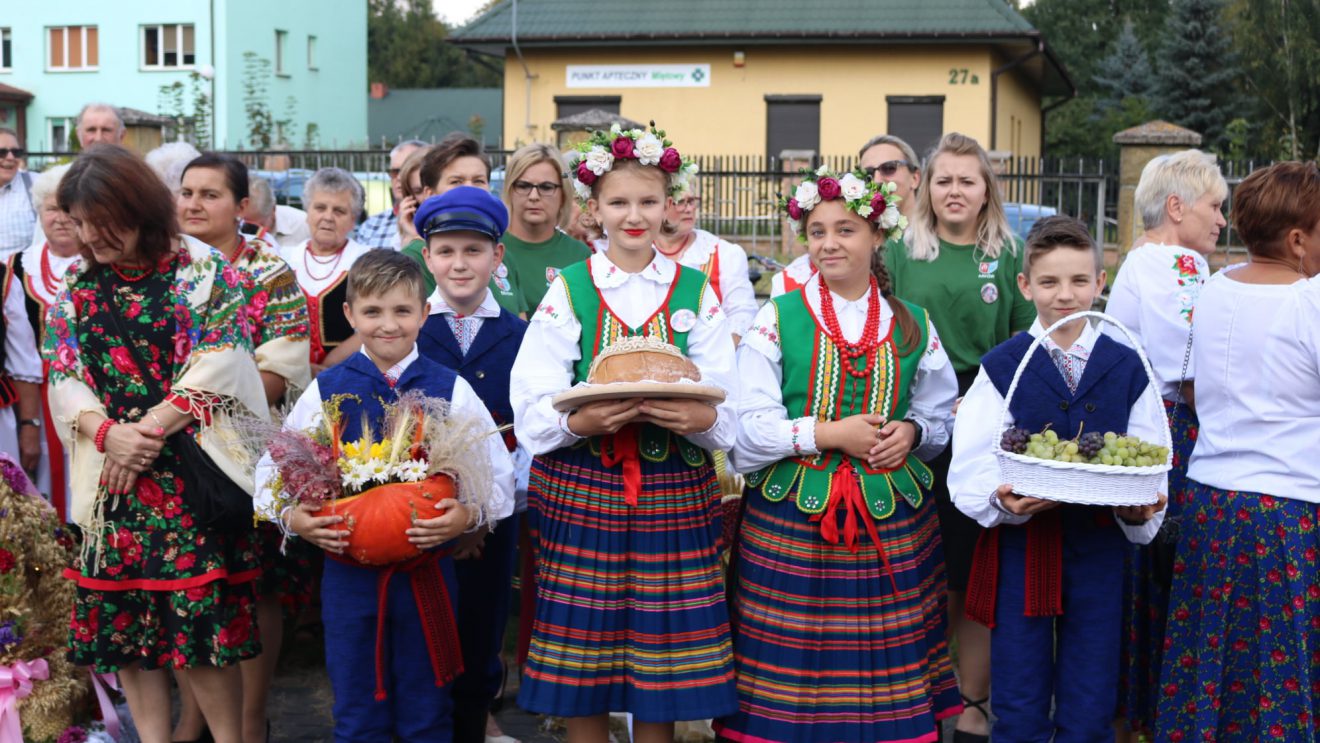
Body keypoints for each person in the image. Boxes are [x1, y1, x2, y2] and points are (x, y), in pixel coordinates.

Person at [510, 124, 738, 742]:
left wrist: (704, 419)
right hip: (583, 484)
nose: (633, 215)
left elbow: (727, 397)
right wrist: (576, 421)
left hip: (672, 485)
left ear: (670, 204)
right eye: (618, 202)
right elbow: (530, 396)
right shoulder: (570, 290)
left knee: (661, 654)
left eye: (647, 201)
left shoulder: (697, 292)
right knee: (585, 648)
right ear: (593, 209)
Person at [716, 168, 961, 743]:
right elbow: (744, 434)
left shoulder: (912, 323)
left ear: (877, 237)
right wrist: (827, 436)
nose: (829, 243)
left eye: (846, 230)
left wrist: (912, 431)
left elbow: (942, 412)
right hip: (791, 520)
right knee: (792, 660)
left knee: (879, 663)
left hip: (891, 518)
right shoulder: (777, 318)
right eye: (817, 231)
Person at [44, 145, 268, 743]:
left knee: (199, 635)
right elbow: (63, 373)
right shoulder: (77, 283)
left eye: (103, 220)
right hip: (111, 485)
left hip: (186, 478)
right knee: (125, 632)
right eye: (80, 221)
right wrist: (107, 435)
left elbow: (224, 360)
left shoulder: (203, 273)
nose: (91, 236)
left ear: (139, 208)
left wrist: (141, 435)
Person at [256, 249, 515, 742]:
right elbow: (273, 470)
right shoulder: (328, 390)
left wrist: (466, 515)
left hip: (427, 573)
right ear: (351, 315)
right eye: (373, 312)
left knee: (427, 704)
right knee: (357, 704)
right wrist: (297, 518)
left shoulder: (449, 388)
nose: (388, 325)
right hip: (348, 574)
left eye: (402, 311)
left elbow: (496, 475)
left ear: (423, 313)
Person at [948, 215, 1167, 742]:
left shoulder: (1128, 365)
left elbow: (1148, 451)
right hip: (1025, 550)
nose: (1064, 295)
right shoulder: (1004, 365)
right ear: (1025, 286)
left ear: (1100, 282)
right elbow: (972, 463)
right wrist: (1000, 501)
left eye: (1077, 281)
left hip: (1098, 548)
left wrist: (1141, 512)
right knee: (1019, 693)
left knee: (1091, 693)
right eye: (1048, 282)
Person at [1155, 161, 1320, 741]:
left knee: (1214, 664)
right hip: (1288, 512)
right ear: (1298, 239)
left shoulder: (1214, 289)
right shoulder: (1310, 301)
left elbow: (1197, 386)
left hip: (1210, 505)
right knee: (1283, 669)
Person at [885, 131, 1037, 741]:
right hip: (913, 421)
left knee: (975, 572)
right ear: (926, 186)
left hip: (983, 421)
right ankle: (919, 696)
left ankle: (973, 707)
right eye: (944, 179)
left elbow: (1028, 348)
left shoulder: (1008, 252)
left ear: (986, 190)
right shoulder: (899, 250)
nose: (955, 191)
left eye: (967, 181)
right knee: (925, 572)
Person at [173, 152, 313, 743]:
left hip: (246, 449)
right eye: (186, 193)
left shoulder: (268, 272)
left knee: (255, 586)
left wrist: (199, 400)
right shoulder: (167, 266)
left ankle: (251, 718)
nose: (194, 205)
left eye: (210, 194)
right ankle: (195, 719)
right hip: (173, 446)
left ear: (241, 206)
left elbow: (282, 373)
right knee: (183, 583)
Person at [1103, 149, 1227, 736]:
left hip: (1156, 425)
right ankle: (1158, 706)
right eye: (1215, 207)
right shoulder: (1174, 263)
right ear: (1177, 207)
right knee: (1170, 565)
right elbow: (1199, 371)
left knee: (1152, 567)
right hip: (1172, 427)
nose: (1222, 221)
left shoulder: (1150, 261)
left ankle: (1140, 705)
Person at [413, 187, 530, 743]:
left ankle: (477, 720)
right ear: (427, 256)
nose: (459, 264)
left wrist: (482, 511)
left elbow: (526, 424)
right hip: (418, 505)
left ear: (497, 256)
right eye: (445, 251)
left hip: (497, 503)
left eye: (474, 251)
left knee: (482, 619)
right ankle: (426, 724)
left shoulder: (521, 334)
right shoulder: (409, 330)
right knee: (424, 620)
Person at [12, 163, 77, 516]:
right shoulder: (19, 268)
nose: (61, 218)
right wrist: (29, 424)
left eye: (70, 209)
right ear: (40, 212)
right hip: (40, 404)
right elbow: (20, 357)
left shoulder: (104, 264)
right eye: (53, 208)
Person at [398, 134, 524, 314]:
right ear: (430, 194)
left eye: (478, 181)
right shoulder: (412, 260)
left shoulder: (504, 256)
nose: (469, 189)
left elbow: (520, 326)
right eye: (456, 181)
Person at [280, 167, 372, 374]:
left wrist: (325, 369)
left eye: (339, 211)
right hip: (287, 377)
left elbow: (373, 324)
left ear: (353, 219)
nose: (328, 217)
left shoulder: (366, 262)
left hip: (349, 373)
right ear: (307, 213)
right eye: (320, 208)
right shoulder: (283, 259)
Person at [653, 176, 757, 341]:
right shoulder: (640, 252)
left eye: (692, 201)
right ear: (661, 206)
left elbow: (742, 313)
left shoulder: (724, 253)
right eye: (680, 202)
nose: (689, 209)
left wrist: (720, 357)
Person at [498, 143, 591, 310]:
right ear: (510, 190)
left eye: (546, 187)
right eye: (524, 186)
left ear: (563, 193)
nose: (534, 196)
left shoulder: (579, 256)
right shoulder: (490, 248)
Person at [354, 139, 426, 250]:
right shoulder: (371, 226)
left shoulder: (440, 222)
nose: (399, 177)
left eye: (408, 170)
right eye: (395, 172)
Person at [859, 134, 923, 220]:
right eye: (868, 173)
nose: (877, 181)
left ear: (915, 179)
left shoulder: (940, 230)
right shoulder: (860, 231)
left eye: (889, 168)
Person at [240, 176, 312, 248]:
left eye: (258, 226)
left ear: (273, 209)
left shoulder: (304, 225)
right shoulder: (232, 228)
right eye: (245, 224)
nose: (251, 232)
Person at [0, 126, 36, 256]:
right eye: (2, 152)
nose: (10, 157)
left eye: (16, 152)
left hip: (24, 273)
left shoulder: (36, 184)